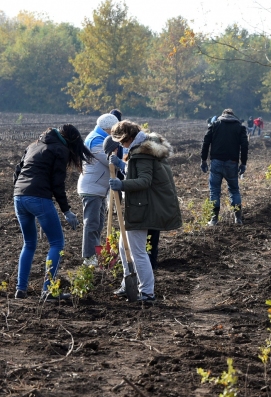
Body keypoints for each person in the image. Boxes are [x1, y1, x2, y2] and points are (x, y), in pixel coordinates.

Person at [13, 124, 93, 299]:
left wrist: (22, 193)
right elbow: (57, 185)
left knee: (29, 244)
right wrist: (67, 211)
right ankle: (48, 290)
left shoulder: (34, 145)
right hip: (39, 198)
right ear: (71, 140)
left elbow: (18, 171)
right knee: (57, 243)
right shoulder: (60, 150)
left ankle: (21, 288)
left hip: (18, 197)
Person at [108, 121, 182, 301]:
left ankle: (147, 292)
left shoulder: (142, 155)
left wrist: (121, 184)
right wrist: (121, 164)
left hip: (143, 207)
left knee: (137, 251)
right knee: (123, 245)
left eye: (122, 142)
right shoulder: (142, 150)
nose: (121, 145)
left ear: (129, 138)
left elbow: (144, 181)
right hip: (141, 205)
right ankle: (128, 284)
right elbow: (137, 172)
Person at [77, 113, 119, 267]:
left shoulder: (99, 138)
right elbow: (109, 162)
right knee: (92, 223)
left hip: (99, 188)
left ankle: (95, 253)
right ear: (107, 129)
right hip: (91, 188)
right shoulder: (95, 140)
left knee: (98, 223)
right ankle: (88, 257)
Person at [201, 108, 249, 225]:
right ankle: (238, 219)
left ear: (222, 115)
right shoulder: (239, 127)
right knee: (234, 190)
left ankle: (214, 219)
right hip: (232, 163)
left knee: (214, 191)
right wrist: (243, 163)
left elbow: (206, 142)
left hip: (216, 162)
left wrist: (203, 160)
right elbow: (244, 145)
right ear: (233, 116)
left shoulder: (215, 125)